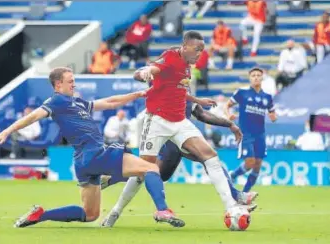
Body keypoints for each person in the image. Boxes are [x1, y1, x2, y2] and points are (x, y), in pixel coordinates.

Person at [0, 67, 185, 228]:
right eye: (70, 81)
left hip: (83, 161)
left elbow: (108, 102)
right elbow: (33, 116)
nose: (74, 84)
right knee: (151, 168)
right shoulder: (55, 101)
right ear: (57, 84)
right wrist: (6, 132)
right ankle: (162, 210)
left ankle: (41, 215)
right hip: (96, 153)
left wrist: (138, 93)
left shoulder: (76, 102)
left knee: (90, 215)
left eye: (74, 80)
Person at [106, 31, 255, 225]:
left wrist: (197, 100)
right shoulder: (170, 57)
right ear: (185, 46)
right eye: (196, 49)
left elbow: (179, 89)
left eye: (202, 50)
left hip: (180, 123)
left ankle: (231, 206)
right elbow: (150, 70)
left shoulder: (187, 67)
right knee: (144, 171)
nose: (199, 53)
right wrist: (144, 72)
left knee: (210, 156)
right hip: (157, 120)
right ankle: (115, 212)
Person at [100, 101, 258, 227]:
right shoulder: (167, 86)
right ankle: (115, 207)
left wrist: (227, 124)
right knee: (206, 160)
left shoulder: (185, 92)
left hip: (183, 139)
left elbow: (201, 114)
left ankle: (114, 181)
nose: (186, 77)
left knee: (156, 173)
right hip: (169, 141)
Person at [225, 67, 277, 193]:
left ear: (262, 78)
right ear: (250, 78)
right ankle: (232, 176)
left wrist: (273, 116)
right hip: (245, 133)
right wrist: (228, 115)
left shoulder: (267, 97)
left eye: (258, 75)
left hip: (260, 134)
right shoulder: (242, 93)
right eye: (253, 75)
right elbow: (227, 105)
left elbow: (272, 113)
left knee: (257, 165)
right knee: (250, 162)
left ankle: (245, 193)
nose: (256, 77)